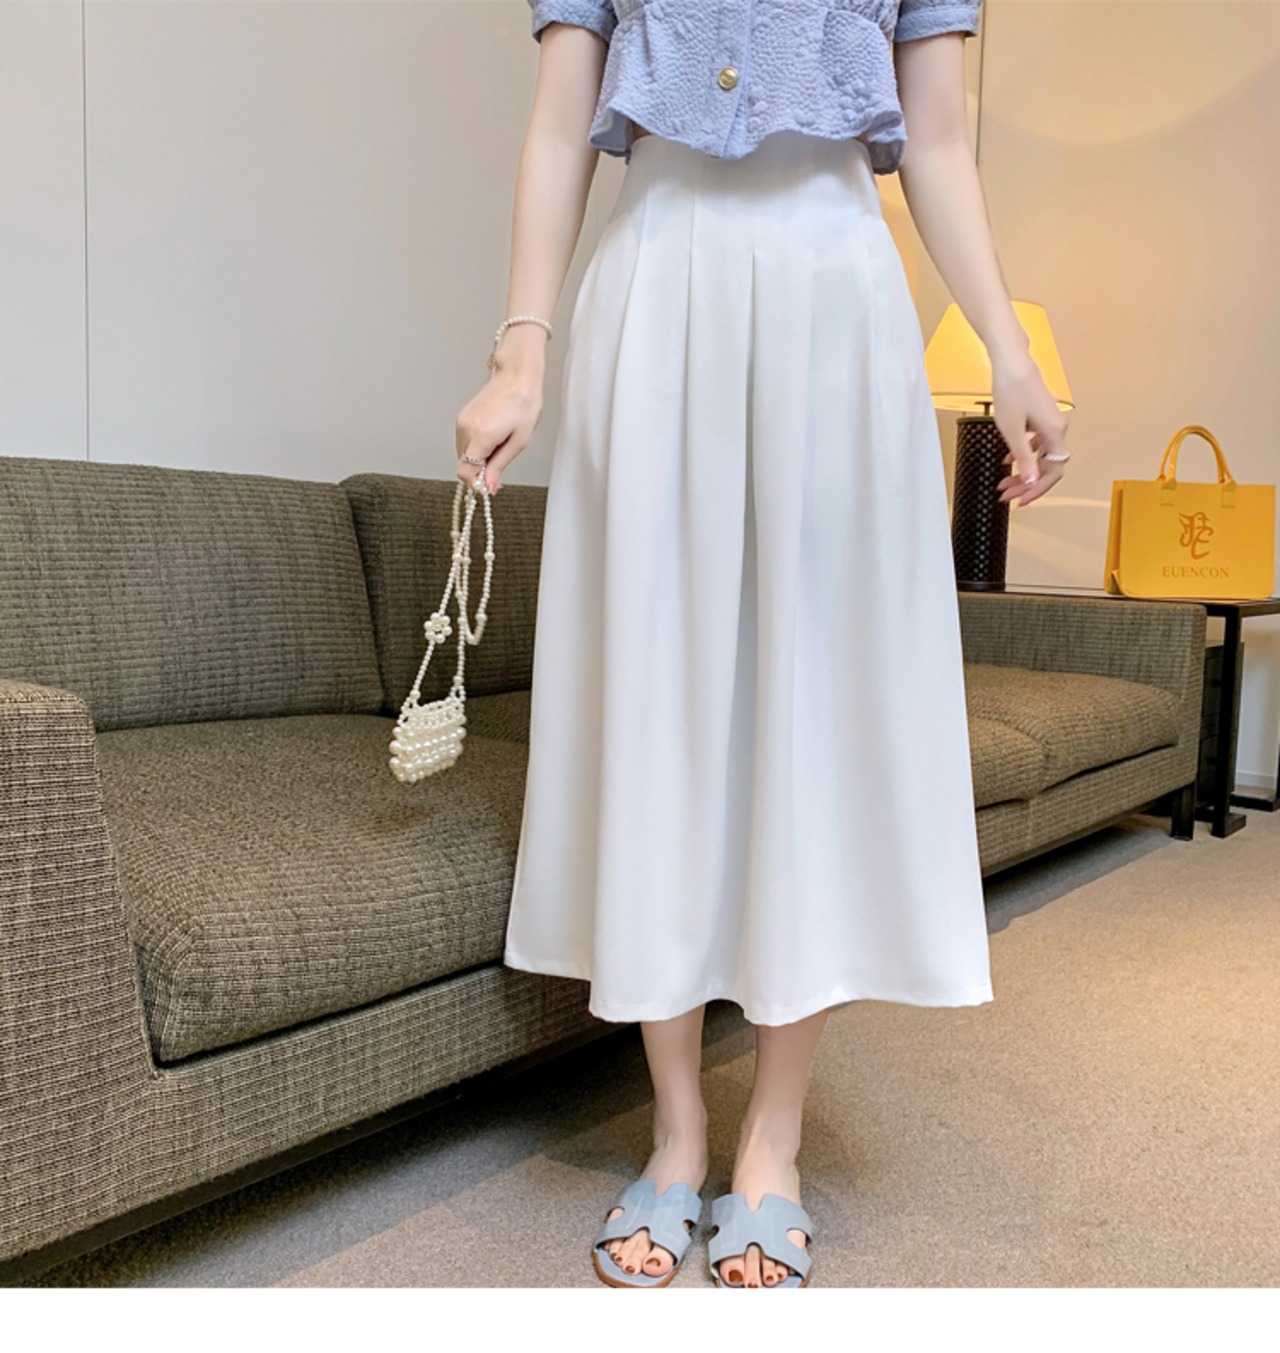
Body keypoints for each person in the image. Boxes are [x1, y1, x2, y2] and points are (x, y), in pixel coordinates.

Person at [453, 0, 1069, 1289]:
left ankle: (772, 1138)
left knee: (814, 704)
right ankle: (677, 1129)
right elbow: (560, 124)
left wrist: (1008, 348)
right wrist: (523, 349)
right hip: (655, 278)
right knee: (655, 698)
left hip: (834, 287)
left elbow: (937, 144)